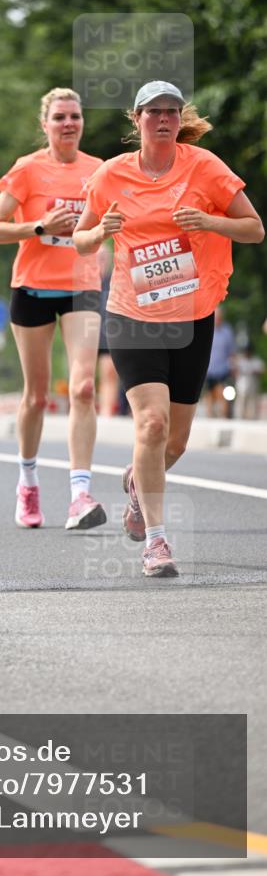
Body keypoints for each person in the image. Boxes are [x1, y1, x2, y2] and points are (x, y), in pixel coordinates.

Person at [74, 80, 264, 577]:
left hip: (193, 318)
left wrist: (208, 221)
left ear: (181, 121)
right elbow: (80, 239)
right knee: (151, 425)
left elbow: (254, 228)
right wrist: (101, 231)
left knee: (174, 442)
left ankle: (139, 482)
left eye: (172, 112)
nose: (163, 119)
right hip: (133, 314)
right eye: (154, 111)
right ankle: (156, 542)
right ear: (135, 119)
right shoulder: (111, 176)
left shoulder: (205, 168)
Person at [0, 87, 107, 531]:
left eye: (75, 116)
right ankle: (28, 481)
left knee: (84, 388)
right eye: (59, 117)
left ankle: (79, 494)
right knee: (37, 396)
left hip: (81, 288)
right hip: (32, 288)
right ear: (45, 124)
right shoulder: (28, 170)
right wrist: (38, 226)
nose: (68, 123)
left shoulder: (99, 171)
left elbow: (118, 222)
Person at [96, 242, 121, 417]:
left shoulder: (113, 280)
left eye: (104, 257)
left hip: (108, 335)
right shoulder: (82, 280)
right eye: (97, 257)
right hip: (85, 335)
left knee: (109, 373)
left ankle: (106, 413)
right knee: (84, 377)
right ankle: (86, 410)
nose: (100, 261)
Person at [203, 306, 236, 418]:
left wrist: (233, 367)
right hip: (208, 370)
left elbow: (231, 352)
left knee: (224, 394)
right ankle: (210, 417)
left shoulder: (227, 331)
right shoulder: (206, 329)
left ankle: (223, 417)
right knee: (209, 395)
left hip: (222, 370)